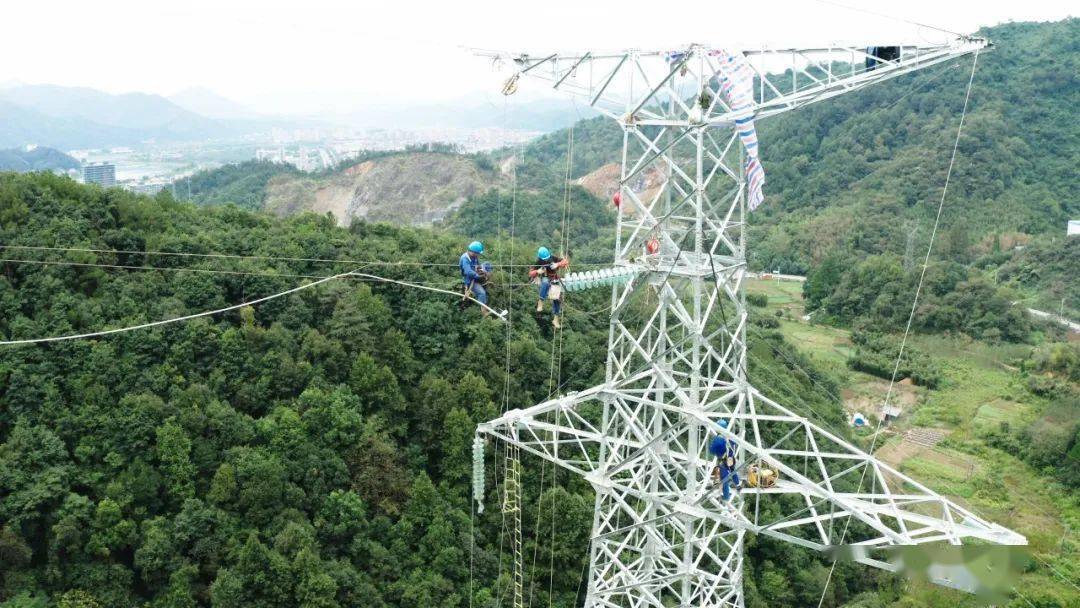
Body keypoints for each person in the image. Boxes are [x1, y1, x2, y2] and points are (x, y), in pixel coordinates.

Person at [529, 246, 569, 329]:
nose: (546, 260)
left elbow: (565, 261)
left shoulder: (552, 258)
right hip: (546, 278)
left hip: (554, 278)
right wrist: (537, 271)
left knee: (557, 299)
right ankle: (540, 303)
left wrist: (557, 264)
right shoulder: (539, 261)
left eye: (547, 258)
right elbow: (531, 273)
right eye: (544, 259)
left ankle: (555, 319)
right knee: (545, 283)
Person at [708, 420, 740, 501]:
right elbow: (734, 443)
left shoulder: (717, 440)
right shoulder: (729, 436)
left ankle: (726, 496)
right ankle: (737, 484)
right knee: (733, 471)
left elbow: (711, 451)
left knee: (724, 479)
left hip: (723, 460)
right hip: (730, 458)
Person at [460, 240, 490, 316]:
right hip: (469, 279)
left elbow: (477, 264)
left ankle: (486, 277)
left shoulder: (474, 256)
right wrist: (478, 276)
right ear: (473, 252)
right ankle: (484, 311)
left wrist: (481, 269)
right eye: (478, 253)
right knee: (482, 293)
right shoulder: (465, 259)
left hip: (475, 273)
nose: (478, 255)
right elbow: (468, 272)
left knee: (487, 264)